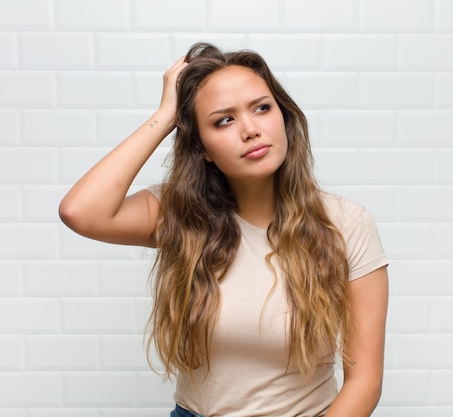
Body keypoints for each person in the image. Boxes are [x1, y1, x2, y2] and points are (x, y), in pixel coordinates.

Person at [59, 42, 389, 417]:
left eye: (262, 108)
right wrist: (167, 114)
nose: (250, 129)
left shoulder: (345, 224)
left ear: (284, 117)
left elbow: (365, 382)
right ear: (203, 149)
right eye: (223, 120)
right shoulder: (181, 214)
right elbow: (80, 211)